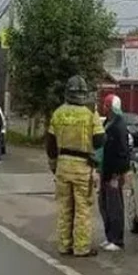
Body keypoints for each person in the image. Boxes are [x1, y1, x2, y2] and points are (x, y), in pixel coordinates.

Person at [46, 75, 105, 257]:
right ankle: (81, 247)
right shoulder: (90, 114)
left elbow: (50, 145)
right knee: (82, 209)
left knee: (65, 206)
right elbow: (99, 139)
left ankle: (64, 245)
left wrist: (54, 166)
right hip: (82, 166)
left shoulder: (58, 113)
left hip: (63, 165)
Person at [97, 94, 131, 251]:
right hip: (105, 170)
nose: (104, 107)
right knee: (104, 204)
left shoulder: (119, 125)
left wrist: (119, 172)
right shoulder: (107, 123)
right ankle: (109, 236)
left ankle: (117, 240)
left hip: (114, 172)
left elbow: (123, 151)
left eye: (106, 105)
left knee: (114, 205)